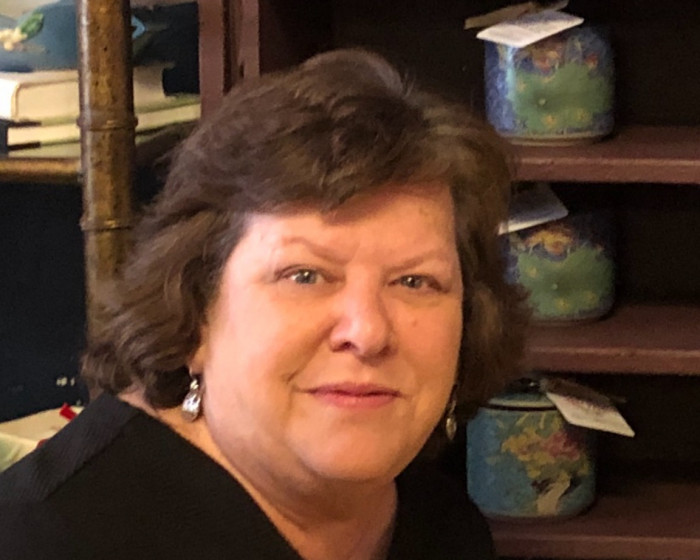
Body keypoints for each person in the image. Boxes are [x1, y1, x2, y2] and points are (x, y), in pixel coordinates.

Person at [0, 48, 527, 559]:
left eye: (415, 281)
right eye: (305, 276)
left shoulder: (442, 526)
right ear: (193, 310)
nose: (367, 332)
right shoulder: (41, 540)